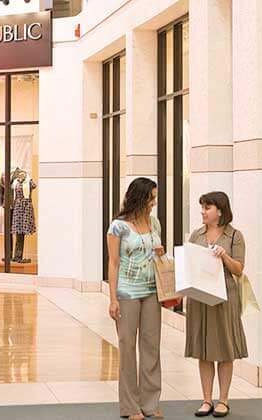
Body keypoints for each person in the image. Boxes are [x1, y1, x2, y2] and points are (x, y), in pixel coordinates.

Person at [107, 177, 165, 420]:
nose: (154, 202)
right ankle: (131, 407)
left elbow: (157, 253)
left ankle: (150, 404)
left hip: (152, 292)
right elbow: (113, 263)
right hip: (127, 293)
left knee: (151, 348)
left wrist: (160, 252)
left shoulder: (154, 222)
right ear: (139, 198)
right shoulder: (118, 226)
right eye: (151, 198)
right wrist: (112, 299)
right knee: (128, 349)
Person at [185, 192, 247, 418]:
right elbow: (189, 264)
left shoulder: (235, 236)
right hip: (200, 297)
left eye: (207, 207)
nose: (202, 211)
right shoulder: (196, 235)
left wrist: (224, 257)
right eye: (202, 207)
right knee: (204, 349)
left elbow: (239, 270)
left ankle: (223, 400)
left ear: (220, 210)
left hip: (224, 298)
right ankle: (206, 399)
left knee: (224, 348)